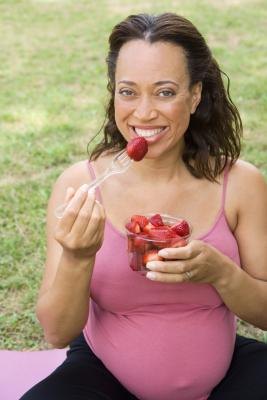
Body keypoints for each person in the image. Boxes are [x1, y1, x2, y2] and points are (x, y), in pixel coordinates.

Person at [20, 12, 267, 400]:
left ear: (196, 94)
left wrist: (220, 272)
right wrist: (78, 255)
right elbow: (57, 333)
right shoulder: (80, 184)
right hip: (104, 375)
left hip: (226, 376)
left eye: (165, 92)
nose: (143, 112)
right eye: (128, 91)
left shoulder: (240, 183)